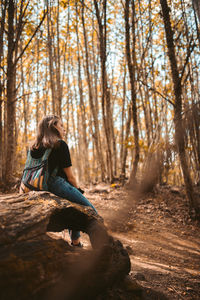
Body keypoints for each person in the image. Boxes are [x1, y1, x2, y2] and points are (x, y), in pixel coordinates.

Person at [29, 115, 97, 247]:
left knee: (74, 207)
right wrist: (78, 190)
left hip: (35, 186)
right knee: (90, 211)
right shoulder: (60, 144)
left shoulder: (34, 146)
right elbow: (70, 176)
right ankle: (101, 251)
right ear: (53, 126)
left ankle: (76, 243)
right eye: (61, 126)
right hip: (55, 184)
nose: (64, 130)